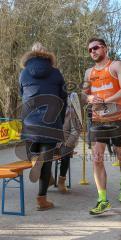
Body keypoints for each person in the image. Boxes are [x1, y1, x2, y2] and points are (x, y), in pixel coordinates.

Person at [82, 38, 121, 215]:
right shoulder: (89, 72)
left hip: (119, 119)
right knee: (97, 158)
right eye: (89, 50)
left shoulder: (116, 66)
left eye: (95, 48)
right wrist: (89, 98)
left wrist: (104, 101)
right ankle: (103, 200)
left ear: (105, 48)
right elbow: (84, 93)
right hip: (98, 120)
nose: (93, 51)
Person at [19, 42, 67, 210]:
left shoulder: (24, 73)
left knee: (35, 155)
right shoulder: (56, 73)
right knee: (47, 161)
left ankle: (33, 160)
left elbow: (22, 95)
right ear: (47, 54)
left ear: (30, 54)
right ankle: (42, 199)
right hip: (51, 122)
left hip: (30, 122)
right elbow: (63, 99)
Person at [50, 93, 82, 192]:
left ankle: (61, 180)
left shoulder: (71, 112)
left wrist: (67, 143)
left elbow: (76, 130)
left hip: (65, 142)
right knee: (41, 153)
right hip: (53, 142)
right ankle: (48, 179)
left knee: (65, 154)